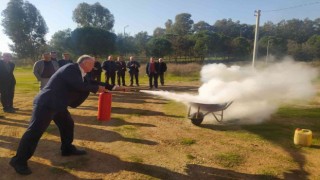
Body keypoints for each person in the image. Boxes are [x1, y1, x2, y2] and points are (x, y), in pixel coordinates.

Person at [9, 55, 126, 175]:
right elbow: (79, 86)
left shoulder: (81, 72)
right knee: (34, 131)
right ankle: (18, 161)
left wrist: (114, 87)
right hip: (47, 103)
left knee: (67, 125)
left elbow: (93, 82)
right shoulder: (70, 69)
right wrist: (97, 88)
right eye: (92, 64)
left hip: (59, 104)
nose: (94, 66)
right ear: (85, 63)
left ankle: (67, 148)